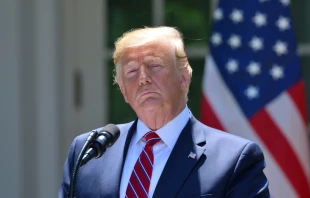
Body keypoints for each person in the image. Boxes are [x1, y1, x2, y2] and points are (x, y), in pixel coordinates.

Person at [59, 26, 270, 198]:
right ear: (123, 90)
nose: (143, 78)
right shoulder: (89, 152)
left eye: (155, 65)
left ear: (184, 77)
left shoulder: (235, 158)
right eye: (132, 71)